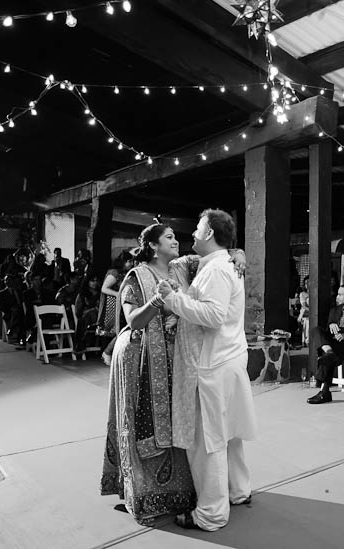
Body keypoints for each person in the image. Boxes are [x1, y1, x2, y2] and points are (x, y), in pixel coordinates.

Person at [158, 209, 257, 531]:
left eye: (199, 229)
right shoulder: (221, 263)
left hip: (213, 364)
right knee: (229, 434)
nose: (193, 235)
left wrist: (173, 299)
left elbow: (213, 315)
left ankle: (211, 513)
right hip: (227, 358)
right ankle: (237, 490)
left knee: (209, 440)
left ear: (211, 233)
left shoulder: (216, 270)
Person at [100, 224, 197, 525]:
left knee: (173, 420)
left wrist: (239, 255)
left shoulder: (178, 270)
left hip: (171, 359)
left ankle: (176, 492)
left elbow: (214, 256)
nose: (176, 241)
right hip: (138, 357)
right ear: (154, 246)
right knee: (138, 419)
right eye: (169, 237)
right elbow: (133, 321)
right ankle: (140, 494)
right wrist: (156, 301)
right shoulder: (136, 276)